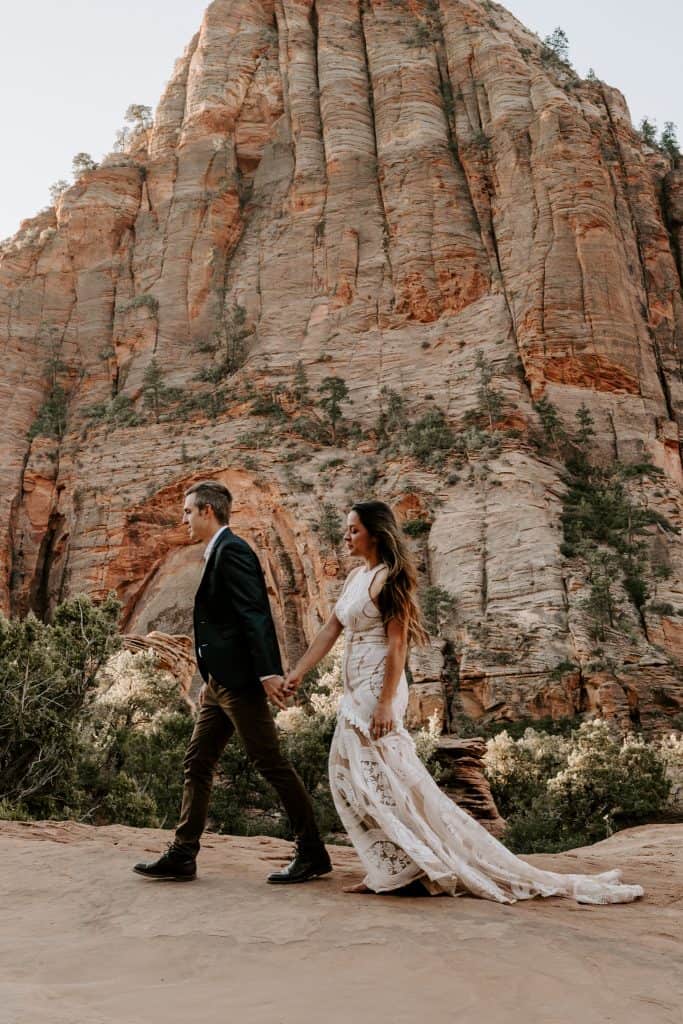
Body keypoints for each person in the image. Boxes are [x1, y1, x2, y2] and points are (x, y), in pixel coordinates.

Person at [284, 500, 644, 904]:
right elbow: (331, 629)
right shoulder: (356, 577)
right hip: (353, 686)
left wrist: (386, 703)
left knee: (372, 776)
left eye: (353, 529)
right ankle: (396, 865)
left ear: (375, 533)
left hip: (376, 687)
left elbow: (398, 645)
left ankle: (412, 865)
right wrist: (298, 672)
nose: (346, 536)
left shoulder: (390, 578)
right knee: (355, 777)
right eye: (346, 529)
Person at [134, 480, 331, 884]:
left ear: (208, 511)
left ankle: (312, 851)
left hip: (241, 683)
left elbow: (254, 614)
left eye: (188, 511)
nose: (183, 518)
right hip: (218, 684)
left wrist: (267, 674)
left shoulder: (233, 550)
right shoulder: (216, 552)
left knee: (270, 763)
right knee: (197, 762)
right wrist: (209, 675)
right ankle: (183, 854)